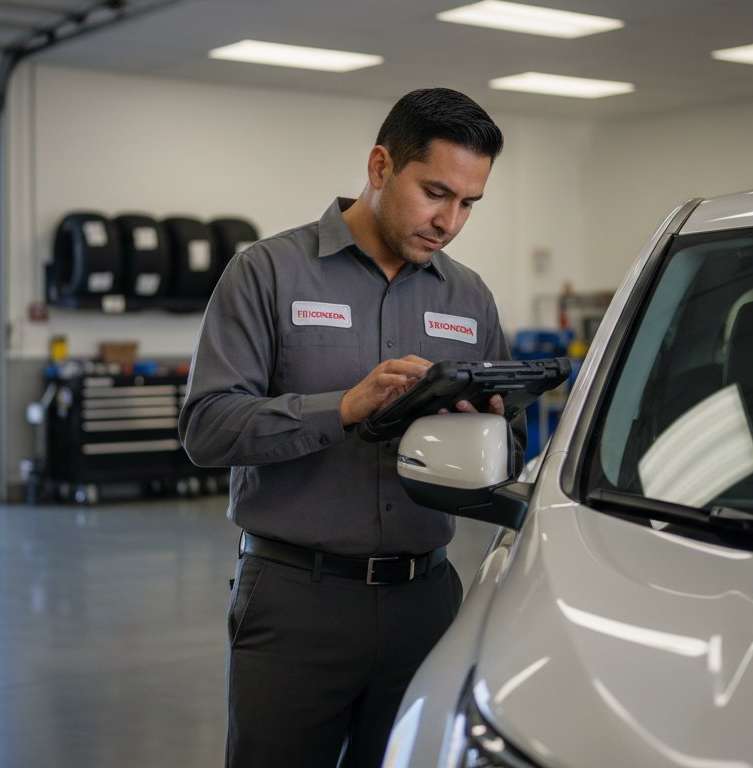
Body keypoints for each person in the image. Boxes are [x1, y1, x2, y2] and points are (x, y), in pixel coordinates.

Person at [178, 87, 525, 768]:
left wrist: (485, 431)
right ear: (379, 167)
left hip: (427, 602)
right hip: (297, 602)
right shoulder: (268, 273)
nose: (449, 221)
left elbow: (507, 442)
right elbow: (207, 427)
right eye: (435, 193)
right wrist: (342, 407)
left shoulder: (468, 296)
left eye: (468, 204)